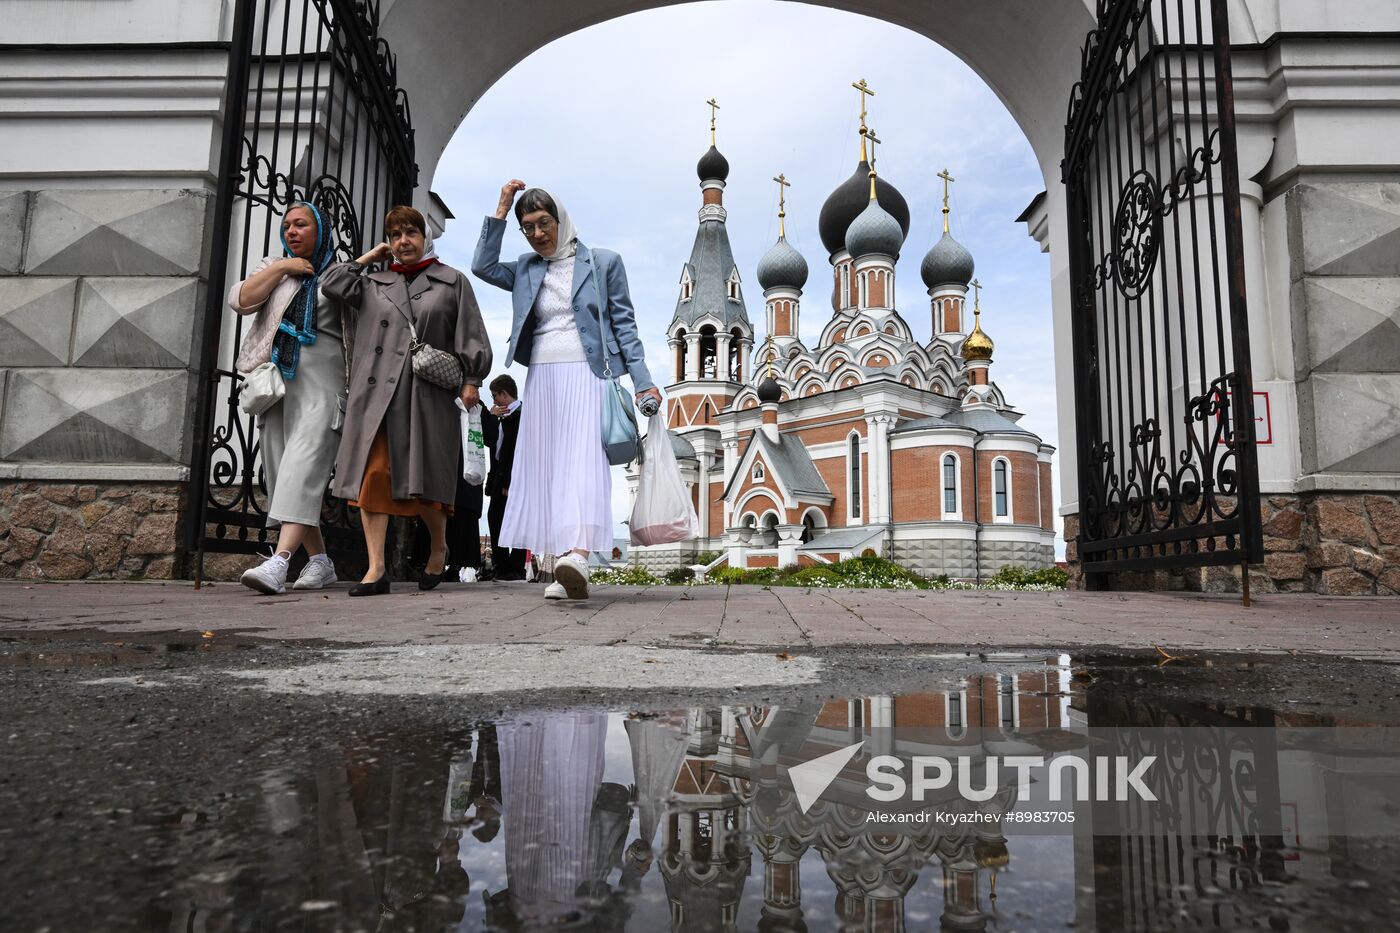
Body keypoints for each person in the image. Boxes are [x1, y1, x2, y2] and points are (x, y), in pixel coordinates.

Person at [471, 182, 660, 601]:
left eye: (543, 223)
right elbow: (482, 266)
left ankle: (578, 554)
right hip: (542, 374)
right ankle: (562, 566)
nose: (537, 233)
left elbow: (624, 324)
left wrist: (643, 379)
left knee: (583, 461)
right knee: (549, 466)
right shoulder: (525, 267)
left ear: (561, 220)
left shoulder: (604, 263)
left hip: (588, 372)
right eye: (528, 227)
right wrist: (500, 210)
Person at [322, 205, 492, 596]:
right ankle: (376, 568)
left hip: (426, 395)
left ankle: (438, 546)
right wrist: (368, 259)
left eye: (411, 233)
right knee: (374, 475)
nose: (404, 241)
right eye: (396, 235)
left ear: (425, 236)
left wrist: (472, 380)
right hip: (376, 396)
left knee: (426, 481)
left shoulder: (451, 281)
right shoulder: (372, 282)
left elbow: (472, 334)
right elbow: (331, 284)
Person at [230, 201, 348, 595]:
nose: (292, 231)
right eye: (287, 226)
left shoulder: (339, 273)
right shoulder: (274, 268)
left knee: (304, 467)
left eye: (302, 224)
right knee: (284, 472)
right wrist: (284, 267)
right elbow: (241, 300)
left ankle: (278, 564)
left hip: (325, 380)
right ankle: (319, 561)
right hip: (279, 381)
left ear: (321, 229)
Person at [481, 373, 525, 581]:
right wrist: (492, 417)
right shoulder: (502, 417)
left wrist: (509, 481)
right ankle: (506, 566)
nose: (494, 401)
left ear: (504, 394)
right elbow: (491, 443)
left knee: (510, 519)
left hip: (513, 477)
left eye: (494, 396)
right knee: (497, 517)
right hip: (499, 477)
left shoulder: (521, 416)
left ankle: (512, 567)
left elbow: (514, 451)